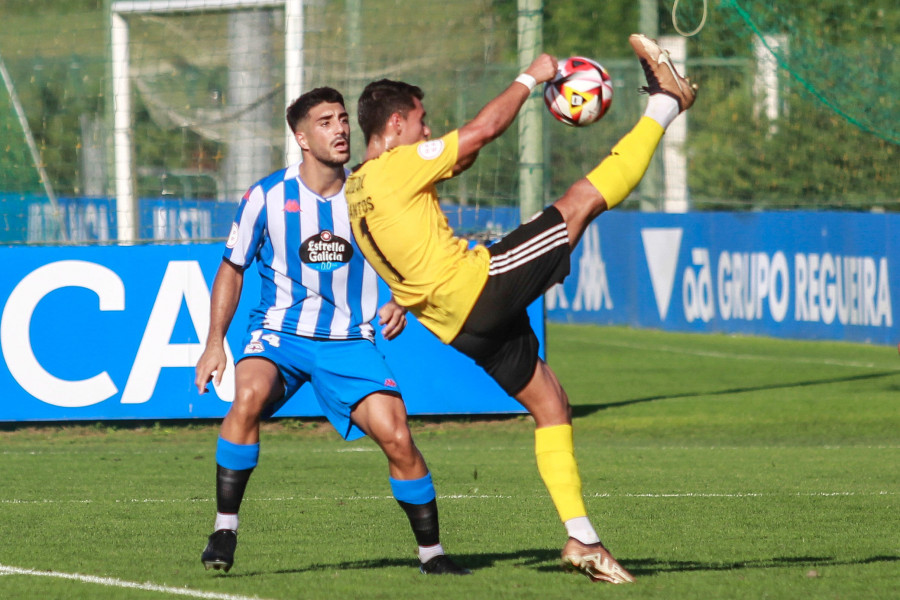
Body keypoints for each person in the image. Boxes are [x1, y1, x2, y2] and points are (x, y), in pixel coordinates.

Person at [345, 34, 697, 584]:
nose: (428, 132)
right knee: (580, 202)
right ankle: (667, 102)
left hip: (456, 326)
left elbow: (464, 156)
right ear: (394, 127)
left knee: (551, 404)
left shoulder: (358, 189)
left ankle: (583, 540)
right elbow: (482, 131)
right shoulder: (397, 167)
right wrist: (533, 77)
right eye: (421, 122)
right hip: (478, 288)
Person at [194, 87, 469, 576]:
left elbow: (408, 250)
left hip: (349, 340)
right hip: (281, 335)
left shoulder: (370, 191)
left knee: (398, 436)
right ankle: (224, 529)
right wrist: (215, 343)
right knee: (247, 395)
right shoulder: (266, 197)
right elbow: (232, 268)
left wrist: (402, 297)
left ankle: (433, 555)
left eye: (343, 119)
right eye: (325, 122)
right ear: (300, 137)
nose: (340, 129)